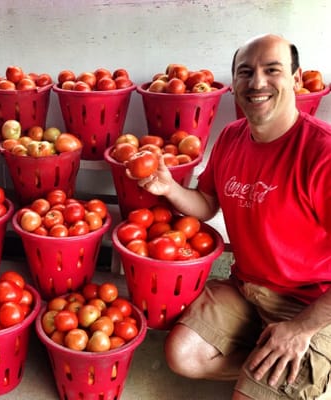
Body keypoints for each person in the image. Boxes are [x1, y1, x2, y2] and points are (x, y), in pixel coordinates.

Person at [138, 33, 331, 399]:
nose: (257, 82)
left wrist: (302, 329)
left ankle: (309, 364)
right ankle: (275, 375)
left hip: (311, 302)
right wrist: (169, 189)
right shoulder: (230, 137)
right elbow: (208, 203)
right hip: (247, 288)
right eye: (245, 72)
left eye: (271, 70)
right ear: (233, 85)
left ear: (295, 78)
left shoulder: (322, 153)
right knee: (183, 356)